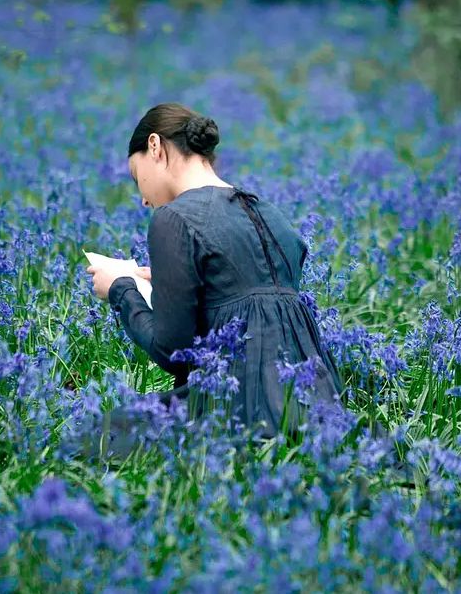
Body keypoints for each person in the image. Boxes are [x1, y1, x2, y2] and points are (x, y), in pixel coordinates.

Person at [83, 102, 345, 459]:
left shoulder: (174, 218)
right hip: (315, 408)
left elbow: (174, 352)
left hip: (236, 408)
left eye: (136, 175)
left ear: (156, 147)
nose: (143, 198)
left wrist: (120, 288)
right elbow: (248, 299)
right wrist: (169, 282)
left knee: (95, 437)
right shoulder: (271, 215)